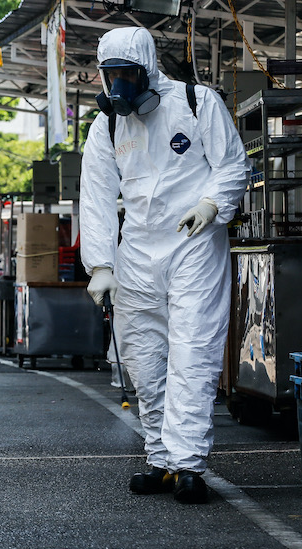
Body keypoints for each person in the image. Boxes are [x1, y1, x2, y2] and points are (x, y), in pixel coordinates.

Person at [78, 27, 249, 504]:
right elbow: (93, 196)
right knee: (143, 358)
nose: (121, 89)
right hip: (136, 251)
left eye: (129, 76)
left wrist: (213, 204)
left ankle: (189, 463)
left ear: (148, 70)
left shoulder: (197, 103)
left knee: (192, 352)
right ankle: (159, 457)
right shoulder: (108, 126)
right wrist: (100, 265)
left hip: (193, 242)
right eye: (112, 78)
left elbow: (233, 164)